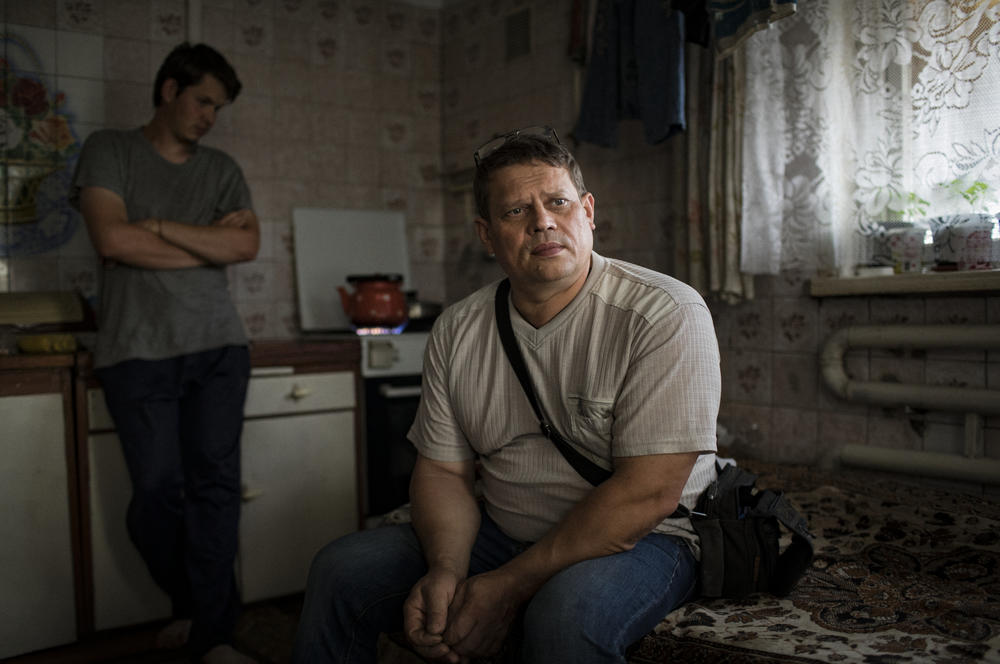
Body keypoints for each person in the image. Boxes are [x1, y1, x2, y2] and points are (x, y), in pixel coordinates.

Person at [292, 126, 721, 664]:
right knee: (339, 570)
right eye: (516, 211)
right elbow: (445, 472)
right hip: (502, 527)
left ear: (588, 212)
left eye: (558, 202)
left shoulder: (664, 313)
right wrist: (447, 568)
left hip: (645, 535)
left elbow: (648, 493)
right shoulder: (458, 329)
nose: (543, 220)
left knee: (564, 618)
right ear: (487, 234)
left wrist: (509, 585)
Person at [70, 42, 259, 664]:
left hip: (218, 348)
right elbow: (110, 238)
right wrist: (204, 244)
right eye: (203, 100)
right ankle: (194, 604)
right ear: (169, 90)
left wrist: (154, 228)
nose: (210, 115)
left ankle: (213, 635)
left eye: (219, 107)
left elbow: (244, 248)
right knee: (156, 491)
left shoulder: (223, 167)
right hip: (136, 350)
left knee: (215, 488)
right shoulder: (110, 150)